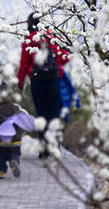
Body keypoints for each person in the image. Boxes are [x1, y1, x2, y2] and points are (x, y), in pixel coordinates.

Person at [17, 12, 70, 158]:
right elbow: (65, 58)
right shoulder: (52, 37)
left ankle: (44, 149)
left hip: (37, 82)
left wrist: (20, 84)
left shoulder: (29, 38)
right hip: (53, 81)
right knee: (53, 114)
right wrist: (56, 68)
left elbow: (23, 63)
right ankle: (55, 147)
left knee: (41, 115)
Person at [0, 97, 35, 179]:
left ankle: (1, 172)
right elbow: (27, 119)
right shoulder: (18, 108)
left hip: (2, 139)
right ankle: (14, 161)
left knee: (1, 156)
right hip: (15, 139)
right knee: (15, 153)